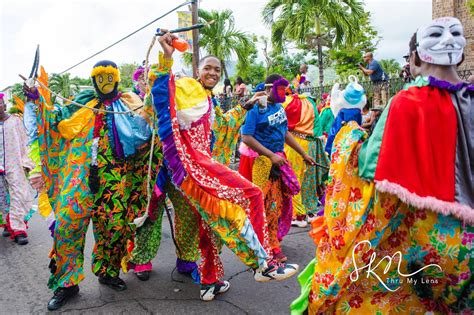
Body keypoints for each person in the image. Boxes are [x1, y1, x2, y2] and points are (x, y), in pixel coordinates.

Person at [291, 17, 473, 314]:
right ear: (462, 55)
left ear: (415, 59)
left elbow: (367, 167)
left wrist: (350, 136)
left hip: (424, 238)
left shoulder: (407, 101)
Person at [150, 31, 300, 302]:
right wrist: (166, 58)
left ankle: (210, 282)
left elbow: (225, 123)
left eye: (217, 69)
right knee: (250, 195)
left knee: (209, 227)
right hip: (195, 169)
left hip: (201, 168)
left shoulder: (208, 100)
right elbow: (163, 92)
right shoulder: (188, 88)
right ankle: (263, 264)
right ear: (197, 70)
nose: (212, 72)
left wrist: (246, 106)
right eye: (207, 67)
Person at [24, 61, 157, 311]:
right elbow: (53, 121)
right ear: (93, 80)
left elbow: (148, 128)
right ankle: (67, 282)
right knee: (67, 226)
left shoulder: (128, 105)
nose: (104, 83)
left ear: (116, 79)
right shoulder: (80, 102)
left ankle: (107, 272)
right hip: (79, 177)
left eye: (109, 77)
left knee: (114, 228)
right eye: (100, 78)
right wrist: (35, 98)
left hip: (114, 179)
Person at [238, 74, 317, 261]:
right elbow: (246, 137)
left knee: (281, 203)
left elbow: (285, 132)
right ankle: (270, 245)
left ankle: (272, 238)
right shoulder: (256, 109)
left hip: (279, 160)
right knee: (268, 205)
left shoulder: (279, 107)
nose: (283, 93)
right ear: (268, 89)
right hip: (263, 163)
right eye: (279, 89)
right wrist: (271, 155)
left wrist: (303, 154)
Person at [282, 92, 330, 228]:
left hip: (295, 143)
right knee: (309, 179)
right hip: (312, 143)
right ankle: (310, 212)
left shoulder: (287, 102)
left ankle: (299, 215)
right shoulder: (310, 102)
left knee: (294, 179)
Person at [0, 93, 35, 245]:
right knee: (2, 198)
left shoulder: (15, 121)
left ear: (4, 105)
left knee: (18, 194)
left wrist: (27, 162)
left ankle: (19, 229)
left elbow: (24, 141)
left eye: (0, 103)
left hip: (14, 164)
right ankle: (8, 223)